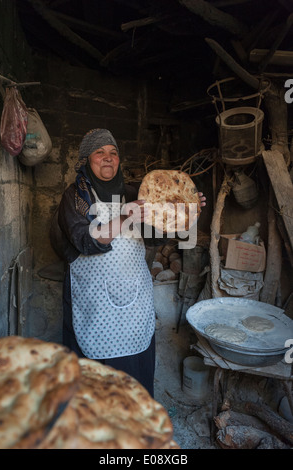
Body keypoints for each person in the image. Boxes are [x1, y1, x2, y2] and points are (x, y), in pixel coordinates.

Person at [57, 128, 206, 398]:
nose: (108, 158)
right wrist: (124, 218)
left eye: (113, 153)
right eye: (99, 152)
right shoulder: (76, 197)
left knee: (135, 371)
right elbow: (85, 241)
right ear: (86, 160)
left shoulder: (132, 192)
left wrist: (182, 209)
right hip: (94, 301)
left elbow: (153, 236)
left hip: (133, 302)